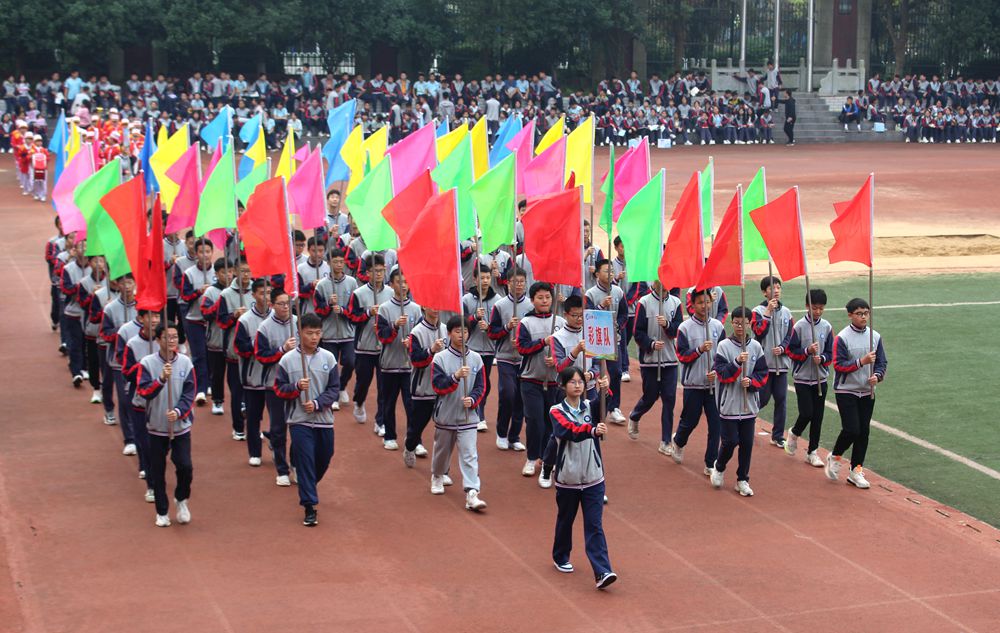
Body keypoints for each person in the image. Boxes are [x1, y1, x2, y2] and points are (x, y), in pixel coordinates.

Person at [549, 366, 616, 590]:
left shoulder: (590, 406)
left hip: (594, 478)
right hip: (567, 479)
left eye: (580, 382)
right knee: (566, 520)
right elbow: (568, 430)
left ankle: (602, 571)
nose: (577, 385)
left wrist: (605, 390)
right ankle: (560, 555)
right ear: (563, 385)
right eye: (572, 382)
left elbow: (603, 407)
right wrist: (591, 430)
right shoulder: (556, 411)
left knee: (594, 525)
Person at [274, 313, 340, 526]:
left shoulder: (328, 359)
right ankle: (309, 506)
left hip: (324, 419)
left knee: (325, 455)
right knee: (306, 460)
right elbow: (278, 389)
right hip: (299, 420)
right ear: (300, 333)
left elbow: (334, 389)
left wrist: (319, 403)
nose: (314, 337)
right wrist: (295, 388)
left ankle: (308, 482)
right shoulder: (288, 360)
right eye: (309, 333)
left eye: (317, 333)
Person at [135, 322, 195, 527]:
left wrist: (178, 412)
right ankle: (162, 511)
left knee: (185, 466)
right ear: (158, 339)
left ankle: (182, 498)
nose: (172, 341)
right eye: (167, 337)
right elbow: (143, 391)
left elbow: (190, 393)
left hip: (180, 427)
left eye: (175, 337)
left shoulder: (186, 363)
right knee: (157, 470)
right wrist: (160, 380)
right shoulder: (147, 363)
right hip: (156, 427)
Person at [826, 298, 888, 489]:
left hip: (867, 391)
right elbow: (838, 365)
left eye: (866, 313)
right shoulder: (842, 338)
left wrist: (877, 376)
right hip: (847, 390)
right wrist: (861, 362)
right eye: (859, 313)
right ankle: (835, 456)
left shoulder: (875, 337)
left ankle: (856, 470)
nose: (863, 317)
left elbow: (882, 363)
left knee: (863, 433)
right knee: (852, 429)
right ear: (850, 315)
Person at [429, 316, 487, 511]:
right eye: (457, 331)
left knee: (470, 454)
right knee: (441, 451)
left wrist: (472, 400)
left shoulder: (476, 359)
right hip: (445, 415)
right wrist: (454, 377)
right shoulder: (440, 358)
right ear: (449, 333)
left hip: (468, 417)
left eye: (464, 332)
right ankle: (437, 475)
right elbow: (437, 386)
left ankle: (472, 492)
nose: (461, 335)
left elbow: (482, 386)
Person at [710, 307, 769, 496]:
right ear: (732, 323)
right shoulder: (723, 347)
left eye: (744, 322)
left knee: (746, 443)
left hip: (749, 405)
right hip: (729, 405)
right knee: (730, 441)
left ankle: (742, 479)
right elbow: (722, 374)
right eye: (736, 322)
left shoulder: (756, 347)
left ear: (750, 323)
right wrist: (736, 363)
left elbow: (763, 373)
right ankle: (719, 466)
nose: (740, 326)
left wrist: (751, 382)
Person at [668, 289, 726, 471]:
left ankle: (711, 463)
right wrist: (699, 350)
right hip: (693, 384)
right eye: (700, 302)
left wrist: (717, 372)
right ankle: (678, 441)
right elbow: (682, 356)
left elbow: (724, 356)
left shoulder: (718, 327)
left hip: (714, 385)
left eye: (707, 302)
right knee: (690, 420)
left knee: (716, 424)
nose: (705, 306)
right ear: (692, 305)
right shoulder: (685, 328)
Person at [516, 282, 566, 481]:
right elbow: (522, 348)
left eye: (547, 297)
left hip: (555, 381)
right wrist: (542, 343)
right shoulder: (526, 323)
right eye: (540, 297)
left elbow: (568, 348)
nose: (544, 301)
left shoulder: (561, 322)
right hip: (531, 380)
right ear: (532, 300)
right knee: (535, 420)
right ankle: (531, 457)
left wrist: (556, 359)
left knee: (551, 423)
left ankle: (548, 459)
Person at [628, 281, 682, 444]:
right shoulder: (644, 302)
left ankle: (665, 441)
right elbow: (637, 332)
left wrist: (667, 325)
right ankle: (635, 415)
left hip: (670, 360)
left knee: (669, 399)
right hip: (650, 361)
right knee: (650, 396)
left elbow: (678, 329)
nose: (665, 283)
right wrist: (651, 344)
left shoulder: (676, 303)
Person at [254, 287, 298, 486]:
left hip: (298, 384)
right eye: (281, 304)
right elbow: (261, 356)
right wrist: (282, 350)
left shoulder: (298, 323)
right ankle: (282, 469)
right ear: (272, 306)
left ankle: (296, 465)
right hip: (274, 385)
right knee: (279, 428)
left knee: (298, 427)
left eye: (288, 303)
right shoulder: (264, 328)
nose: (285, 307)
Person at [785, 289, 834, 466]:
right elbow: (791, 351)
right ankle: (794, 433)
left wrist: (822, 359)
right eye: (814, 308)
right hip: (803, 378)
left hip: (821, 379)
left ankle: (812, 451)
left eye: (821, 308)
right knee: (807, 412)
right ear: (807, 306)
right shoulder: (798, 327)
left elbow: (831, 352)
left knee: (818, 417)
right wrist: (807, 352)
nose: (818, 312)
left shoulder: (827, 327)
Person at [374, 269, 421, 449]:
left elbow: (421, 336)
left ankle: (414, 440)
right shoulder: (385, 309)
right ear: (391, 284)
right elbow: (382, 336)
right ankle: (390, 436)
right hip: (389, 365)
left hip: (409, 366)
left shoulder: (416, 309)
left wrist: (411, 341)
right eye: (398, 282)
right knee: (389, 402)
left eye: (405, 282)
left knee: (411, 404)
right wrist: (394, 326)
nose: (403, 285)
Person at [346, 254, 391, 425]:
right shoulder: (359, 293)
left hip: (384, 348)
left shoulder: (391, 293)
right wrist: (367, 314)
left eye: (381, 271)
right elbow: (351, 317)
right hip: (364, 346)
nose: (378, 274)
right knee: (363, 382)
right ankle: (359, 402)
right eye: (375, 271)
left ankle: (380, 421)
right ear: (368, 273)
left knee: (383, 387)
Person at [750, 275, 793, 448]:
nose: (775, 290)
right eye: (771, 288)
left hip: (781, 364)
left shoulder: (787, 312)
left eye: (778, 287)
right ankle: (747, 420)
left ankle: (777, 435)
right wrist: (768, 312)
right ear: (764, 292)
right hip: (764, 365)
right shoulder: (757, 311)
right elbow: (758, 331)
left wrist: (782, 348)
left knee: (781, 399)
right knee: (763, 398)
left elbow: (790, 335)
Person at [313, 248, 357, 411]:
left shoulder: (352, 283)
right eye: (335, 262)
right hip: (329, 333)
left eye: (341, 262)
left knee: (350, 362)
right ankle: (334, 396)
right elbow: (318, 311)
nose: (339, 265)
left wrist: (344, 311)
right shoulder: (322, 285)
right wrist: (328, 306)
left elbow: (354, 309)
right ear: (329, 263)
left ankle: (342, 385)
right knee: (330, 366)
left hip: (347, 333)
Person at [488, 267, 528, 452]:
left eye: (521, 282)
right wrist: (506, 327)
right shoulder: (500, 305)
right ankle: (501, 433)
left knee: (521, 397)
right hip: (505, 357)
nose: (518, 285)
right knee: (508, 394)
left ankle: (514, 436)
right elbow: (492, 332)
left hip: (524, 358)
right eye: (515, 282)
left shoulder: (530, 305)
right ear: (508, 283)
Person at [233, 279, 271, 466]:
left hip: (275, 379)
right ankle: (255, 452)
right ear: (253, 295)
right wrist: (260, 345)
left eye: (269, 292)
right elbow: (240, 348)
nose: (267, 297)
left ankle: (274, 438)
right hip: (253, 378)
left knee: (280, 417)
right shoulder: (245, 320)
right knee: (254, 417)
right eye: (262, 293)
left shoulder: (281, 318)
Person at [215, 258, 254, 440]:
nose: (246, 275)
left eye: (249, 271)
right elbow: (221, 322)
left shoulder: (258, 290)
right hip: (234, 350)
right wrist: (234, 315)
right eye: (242, 271)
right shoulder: (226, 295)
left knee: (254, 391)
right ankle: (238, 427)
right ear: (235, 272)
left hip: (255, 351)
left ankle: (254, 427)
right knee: (237, 391)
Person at [585, 259, 627, 424]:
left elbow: (623, 314)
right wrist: (602, 306)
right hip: (595, 340)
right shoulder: (591, 294)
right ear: (597, 274)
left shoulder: (618, 292)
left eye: (611, 271)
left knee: (615, 373)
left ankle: (614, 407)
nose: (610, 274)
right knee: (596, 373)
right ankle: (595, 404)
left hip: (612, 340)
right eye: (606, 271)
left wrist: (617, 327)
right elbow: (587, 315)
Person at [404, 305, 446, 467]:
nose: (436, 308)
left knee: (445, 431)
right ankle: (410, 446)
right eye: (432, 304)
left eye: (438, 304)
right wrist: (431, 350)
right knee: (417, 428)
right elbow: (416, 360)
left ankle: (442, 470)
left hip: (443, 389)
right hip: (423, 389)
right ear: (423, 307)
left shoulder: (445, 329)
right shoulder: (417, 332)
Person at [462, 265, 499, 432]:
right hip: (472, 347)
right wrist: (474, 318)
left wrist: (490, 327)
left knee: (485, 381)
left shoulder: (498, 300)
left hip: (489, 349)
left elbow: (499, 326)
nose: (485, 281)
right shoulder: (466, 300)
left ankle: (479, 411)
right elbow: (461, 324)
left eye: (487, 278)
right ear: (475, 279)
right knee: (474, 380)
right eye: (481, 278)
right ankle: (478, 413)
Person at [180, 238, 216, 404]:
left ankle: (210, 383)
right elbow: (185, 296)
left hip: (214, 322)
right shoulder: (189, 274)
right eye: (201, 252)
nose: (205, 255)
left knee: (212, 355)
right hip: (194, 320)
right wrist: (198, 292)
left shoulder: (219, 272)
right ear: (196, 254)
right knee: (199, 355)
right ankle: (200, 389)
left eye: (207, 251)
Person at [199, 258, 231, 416]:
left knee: (235, 375)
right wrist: (220, 303)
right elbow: (205, 313)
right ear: (217, 274)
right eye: (224, 272)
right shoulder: (211, 292)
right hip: (216, 340)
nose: (228, 275)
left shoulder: (236, 292)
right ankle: (217, 401)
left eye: (231, 271)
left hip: (232, 341)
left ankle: (242, 401)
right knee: (217, 373)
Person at [60, 239, 90, 387]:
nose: (83, 249)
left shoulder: (96, 270)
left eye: (86, 246)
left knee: (87, 341)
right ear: (75, 249)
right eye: (80, 246)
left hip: (90, 312)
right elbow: (66, 289)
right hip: (74, 311)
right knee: (76, 342)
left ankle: (85, 367)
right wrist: (80, 287)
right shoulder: (68, 269)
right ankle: (76, 371)